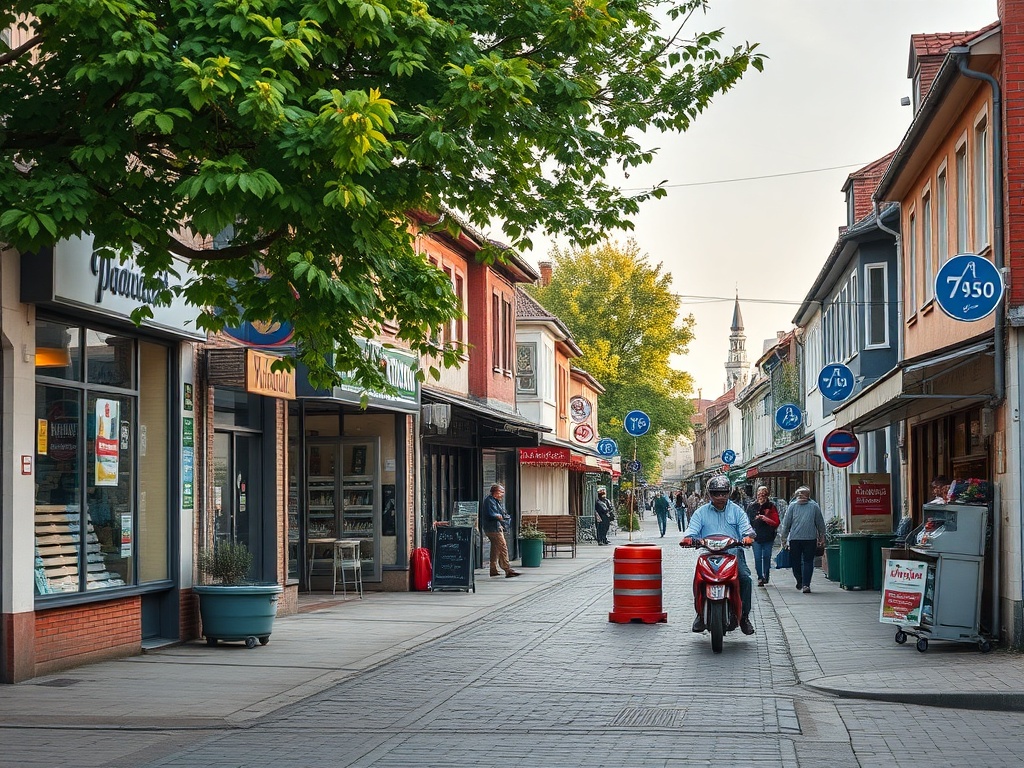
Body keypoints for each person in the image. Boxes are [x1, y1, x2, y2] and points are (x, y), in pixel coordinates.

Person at [681, 475, 756, 635]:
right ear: (709, 494)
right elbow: (692, 529)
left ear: (729, 493)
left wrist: (748, 536)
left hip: (733, 552)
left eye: (724, 493)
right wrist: (689, 538)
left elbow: (746, 528)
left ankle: (744, 617)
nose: (720, 497)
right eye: (716, 493)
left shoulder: (737, 511)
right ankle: (700, 615)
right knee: (698, 578)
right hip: (707, 552)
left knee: (745, 579)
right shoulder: (701, 512)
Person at [777, 486, 826, 594]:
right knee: (802, 562)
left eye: (802, 495)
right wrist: (784, 538)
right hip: (801, 539)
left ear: (808, 496)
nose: (801, 497)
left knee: (801, 562)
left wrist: (784, 538)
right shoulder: (798, 506)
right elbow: (787, 524)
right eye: (799, 495)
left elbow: (819, 523)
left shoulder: (812, 506)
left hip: (805, 539)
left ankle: (804, 583)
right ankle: (803, 583)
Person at [479, 484, 520, 578]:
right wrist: (498, 516)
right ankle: (507, 569)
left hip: (495, 527)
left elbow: (501, 514)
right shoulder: (489, 501)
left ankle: (493, 569)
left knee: (495, 549)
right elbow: (493, 514)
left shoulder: (495, 501)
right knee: (503, 547)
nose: (502, 494)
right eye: (501, 492)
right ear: (496, 492)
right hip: (493, 529)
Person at [745, 485, 780, 587]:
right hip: (756, 536)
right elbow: (747, 521)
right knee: (757, 558)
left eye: (763, 493)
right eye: (759, 493)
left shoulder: (771, 506)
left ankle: (766, 574)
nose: (761, 496)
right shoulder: (752, 506)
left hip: (768, 536)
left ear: (767, 495)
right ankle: (760, 577)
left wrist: (765, 518)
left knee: (766, 556)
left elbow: (776, 522)